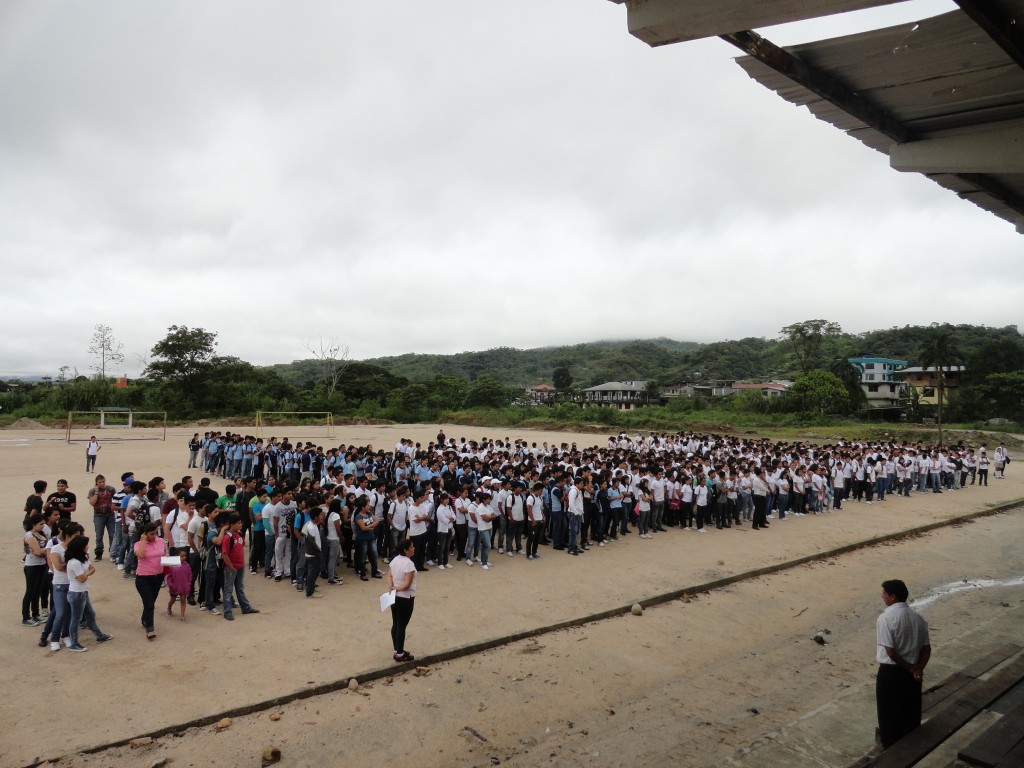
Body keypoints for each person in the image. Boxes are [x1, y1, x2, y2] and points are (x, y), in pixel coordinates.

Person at [876, 579, 931, 749]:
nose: (882, 596)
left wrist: (909, 668)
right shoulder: (918, 618)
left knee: (889, 715)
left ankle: (891, 752)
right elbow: (927, 649)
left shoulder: (886, 618)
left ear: (893, 597)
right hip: (912, 675)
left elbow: (890, 652)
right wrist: (918, 668)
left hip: (891, 673)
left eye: (885, 593)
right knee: (910, 713)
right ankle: (910, 751)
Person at [64, 535, 113, 651]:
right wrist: (85, 573)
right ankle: (74, 643)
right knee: (76, 619)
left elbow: (91, 569)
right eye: (85, 545)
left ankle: (99, 636)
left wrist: (84, 573)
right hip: (77, 593)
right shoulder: (74, 562)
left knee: (90, 615)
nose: (87, 547)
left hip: (82, 592)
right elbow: (82, 578)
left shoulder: (82, 558)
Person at [222, 513, 259, 617]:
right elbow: (224, 554)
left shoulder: (239, 534)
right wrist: (231, 567)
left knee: (240, 588)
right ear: (232, 524)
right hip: (231, 568)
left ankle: (246, 607)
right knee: (228, 590)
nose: (241, 525)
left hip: (240, 566)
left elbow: (241, 546)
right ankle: (227, 612)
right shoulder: (227, 537)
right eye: (239, 523)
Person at [134, 522, 166, 640]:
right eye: (151, 534)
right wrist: (143, 541)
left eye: (155, 533)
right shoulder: (138, 544)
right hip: (143, 577)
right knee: (149, 603)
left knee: (151, 602)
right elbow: (140, 554)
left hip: (158, 576)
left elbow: (164, 555)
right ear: (144, 534)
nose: (154, 536)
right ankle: (150, 628)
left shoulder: (161, 541)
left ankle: (144, 619)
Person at [387, 538, 417, 663]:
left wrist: (391, 587)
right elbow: (407, 584)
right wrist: (396, 588)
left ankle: (396, 650)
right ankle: (400, 653)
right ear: (406, 550)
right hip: (405, 597)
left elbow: (389, 575)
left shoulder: (395, 560)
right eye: (411, 547)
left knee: (396, 623)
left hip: (394, 596)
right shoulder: (408, 563)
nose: (413, 548)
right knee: (401, 626)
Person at [22, 513, 48, 627]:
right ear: (34, 524)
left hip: (42, 564)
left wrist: (45, 550)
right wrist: (47, 550)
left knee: (37, 591)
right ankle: (26, 617)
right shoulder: (29, 535)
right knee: (30, 591)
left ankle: (36, 614)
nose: (43, 526)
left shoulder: (40, 534)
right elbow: (37, 552)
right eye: (41, 524)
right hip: (32, 566)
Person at [164, 547, 191, 622]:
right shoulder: (172, 565)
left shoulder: (187, 565)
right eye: (182, 556)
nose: (184, 558)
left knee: (183, 601)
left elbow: (189, 575)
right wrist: (170, 585)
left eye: (185, 556)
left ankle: (182, 615)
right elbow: (168, 576)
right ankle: (169, 608)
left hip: (184, 586)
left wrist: (188, 584)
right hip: (174, 587)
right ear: (176, 556)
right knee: (172, 600)